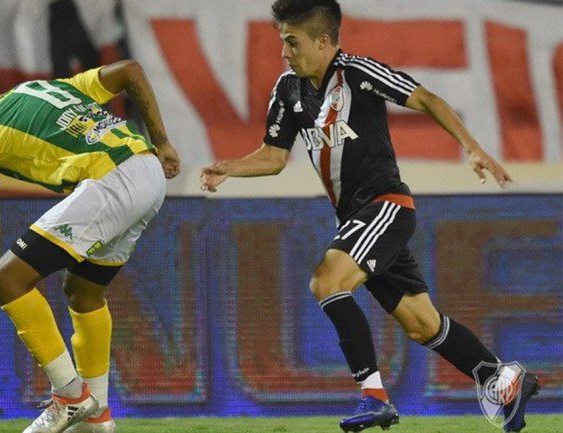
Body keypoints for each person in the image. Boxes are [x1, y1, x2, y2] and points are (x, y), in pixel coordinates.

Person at [200, 1, 539, 432]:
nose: (285, 52)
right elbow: (273, 156)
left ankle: (374, 396)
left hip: (385, 205)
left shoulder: (358, 74)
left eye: (292, 42)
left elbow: (426, 98)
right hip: (356, 218)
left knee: (327, 280)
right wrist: (230, 167)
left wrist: (472, 147)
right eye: (282, 41)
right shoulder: (288, 89)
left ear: (323, 41)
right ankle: (502, 376)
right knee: (422, 325)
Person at [0, 60, 180, 433]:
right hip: (148, 171)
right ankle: (97, 418)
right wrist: (162, 140)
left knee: (8, 279)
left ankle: (69, 397)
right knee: (82, 292)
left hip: (112, 180)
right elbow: (131, 70)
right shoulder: (42, 88)